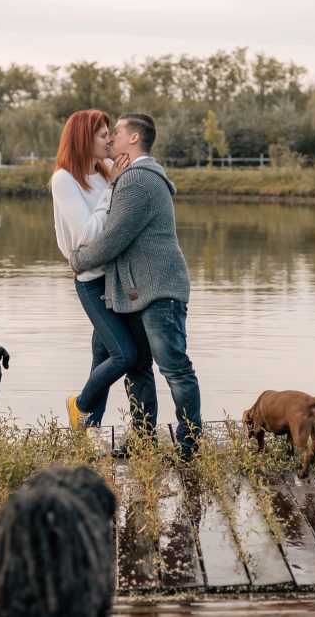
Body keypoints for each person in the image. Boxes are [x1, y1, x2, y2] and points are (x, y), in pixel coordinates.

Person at [69, 113, 203, 460]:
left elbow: (112, 238)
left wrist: (78, 261)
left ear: (134, 138)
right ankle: (144, 438)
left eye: (116, 132)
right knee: (137, 367)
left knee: (175, 368)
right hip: (139, 292)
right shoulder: (130, 178)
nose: (110, 138)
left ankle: (189, 446)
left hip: (159, 291)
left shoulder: (138, 181)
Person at [51, 109, 139, 429]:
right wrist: (112, 187)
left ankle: (89, 427)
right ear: (84, 139)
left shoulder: (103, 174)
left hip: (114, 277)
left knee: (102, 356)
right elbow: (87, 234)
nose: (109, 140)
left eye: (109, 134)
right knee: (125, 355)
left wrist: (115, 182)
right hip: (90, 280)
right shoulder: (64, 179)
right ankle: (81, 403)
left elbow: (117, 223)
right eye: (103, 135)